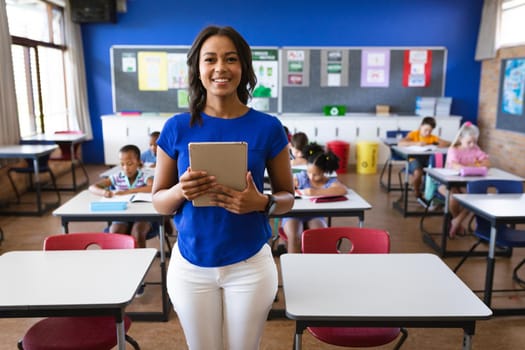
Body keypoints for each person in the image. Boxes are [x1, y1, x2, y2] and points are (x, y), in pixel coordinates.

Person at [151, 25, 294, 350]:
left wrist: (262, 202)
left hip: (250, 265)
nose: (220, 68)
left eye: (230, 59)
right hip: (190, 265)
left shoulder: (268, 127)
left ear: (243, 67)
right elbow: (159, 201)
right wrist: (181, 191)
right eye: (210, 59)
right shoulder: (176, 127)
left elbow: (288, 197)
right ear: (197, 68)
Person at [282, 143, 347, 254]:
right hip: (294, 214)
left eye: (316, 174)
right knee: (294, 237)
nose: (311, 177)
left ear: (324, 172)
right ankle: (294, 270)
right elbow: (284, 186)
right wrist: (291, 186)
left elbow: (342, 190)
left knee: (320, 236)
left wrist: (315, 192)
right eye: (309, 172)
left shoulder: (329, 182)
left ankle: (316, 267)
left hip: (315, 215)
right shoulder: (302, 177)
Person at [89, 144, 154, 249]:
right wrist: (105, 193)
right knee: (115, 232)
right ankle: (119, 262)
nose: (126, 168)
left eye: (129, 164)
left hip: (142, 215)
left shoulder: (144, 176)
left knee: (137, 233)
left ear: (138, 162)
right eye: (122, 164)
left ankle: (140, 262)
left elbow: (153, 187)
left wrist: (128, 192)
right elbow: (92, 187)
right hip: (122, 214)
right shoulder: (117, 177)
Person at [438, 122, 490, 238]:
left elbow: (487, 162)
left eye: (474, 142)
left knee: (475, 198)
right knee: (453, 199)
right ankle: (458, 221)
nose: (472, 145)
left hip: (465, 184)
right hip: (447, 184)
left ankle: (456, 221)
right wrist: (475, 165)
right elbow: (456, 166)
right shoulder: (454, 149)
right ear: (461, 138)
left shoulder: (475, 149)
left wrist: (471, 165)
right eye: (469, 142)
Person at [398, 116, 450, 202]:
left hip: (427, 159)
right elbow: (401, 143)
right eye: (425, 130)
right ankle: (417, 192)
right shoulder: (414, 134)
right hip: (414, 159)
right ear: (421, 126)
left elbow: (447, 143)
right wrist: (416, 143)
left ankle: (430, 193)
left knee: (436, 171)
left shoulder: (432, 137)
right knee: (418, 172)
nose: (427, 133)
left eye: (430, 131)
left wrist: (439, 144)